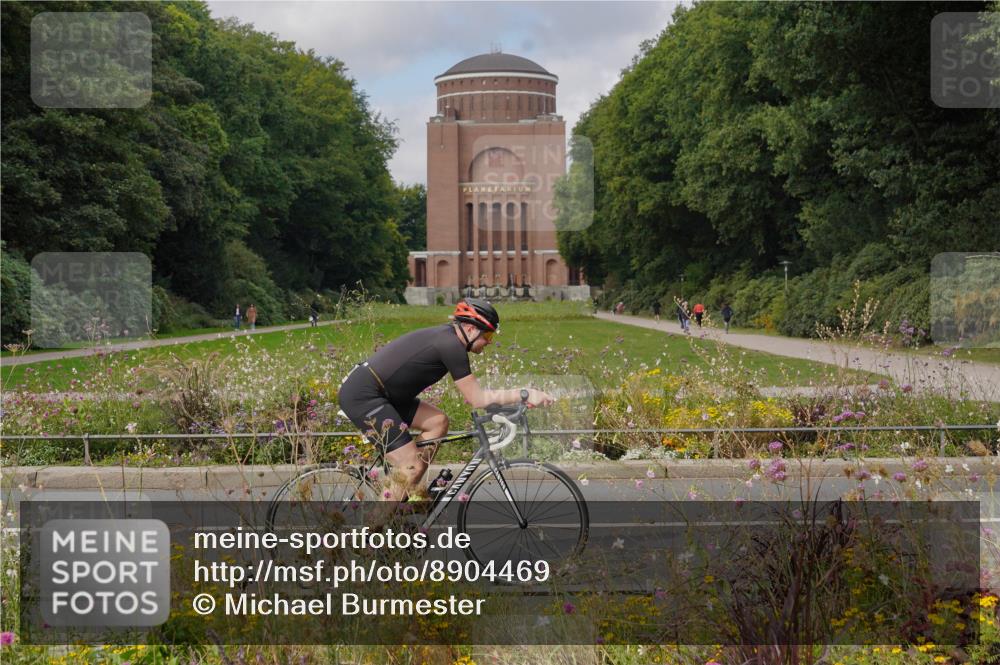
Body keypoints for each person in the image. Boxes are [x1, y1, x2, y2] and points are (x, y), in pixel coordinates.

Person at [338, 298, 554, 521]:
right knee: (409, 464)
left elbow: (478, 398)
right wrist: (524, 393)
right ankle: (369, 536)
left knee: (438, 422)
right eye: (487, 335)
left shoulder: (450, 339)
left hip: (386, 395)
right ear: (470, 329)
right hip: (364, 396)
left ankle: (408, 494)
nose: (489, 342)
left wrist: (510, 402)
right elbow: (476, 399)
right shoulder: (450, 345)